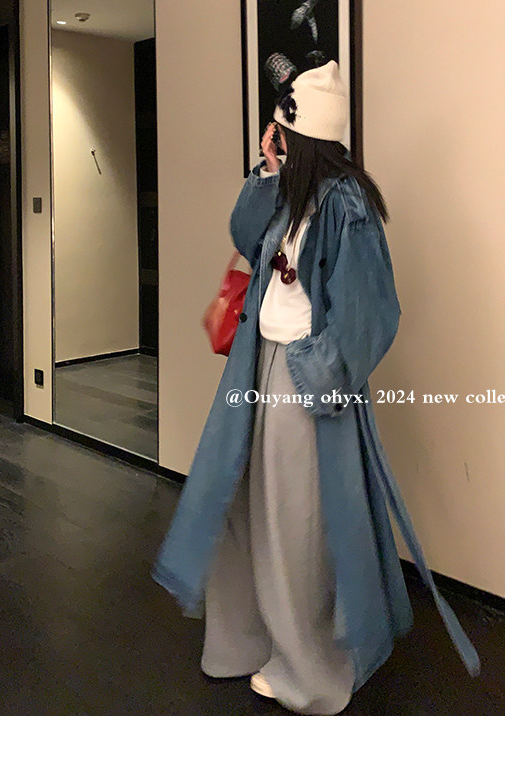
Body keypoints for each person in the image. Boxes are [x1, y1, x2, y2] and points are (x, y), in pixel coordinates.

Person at [152, 61, 480, 715]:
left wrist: (317, 377)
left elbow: (371, 312)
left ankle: (310, 668)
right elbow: (245, 235)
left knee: (295, 523)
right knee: (243, 503)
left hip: (300, 376)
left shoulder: (347, 204)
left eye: (280, 131)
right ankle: (247, 641)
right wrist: (267, 170)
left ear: (302, 133)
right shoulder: (293, 191)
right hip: (257, 364)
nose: (271, 137)